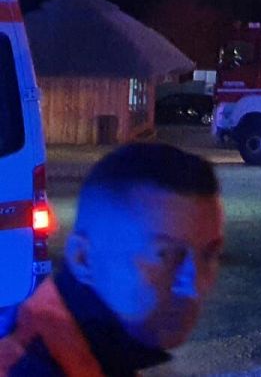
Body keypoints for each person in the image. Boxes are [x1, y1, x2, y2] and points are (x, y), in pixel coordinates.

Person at [0, 143, 225, 376]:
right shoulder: (28, 366)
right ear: (83, 258)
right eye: (165, 255)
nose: (195, 286)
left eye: (209, 254)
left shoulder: (98, 351)